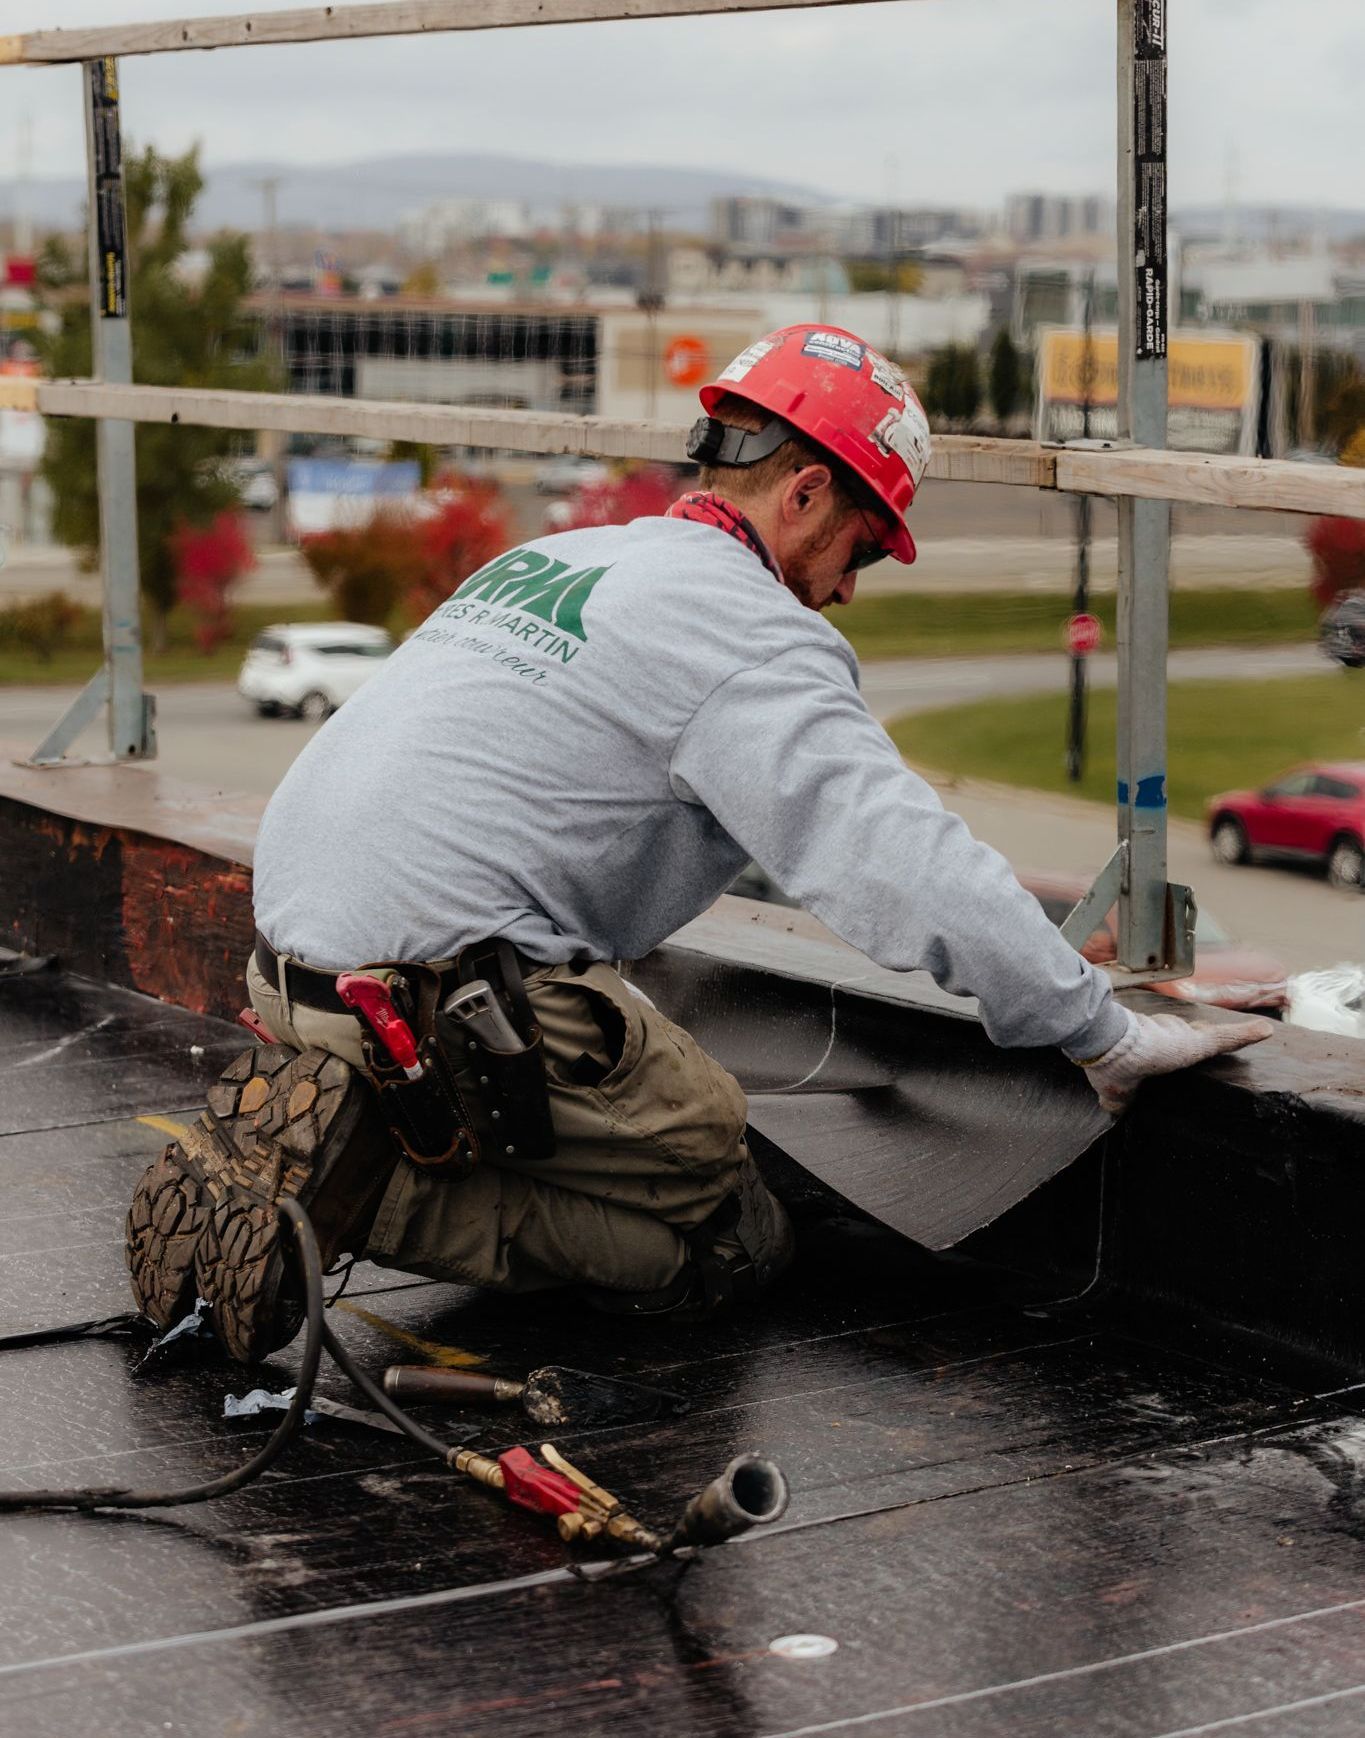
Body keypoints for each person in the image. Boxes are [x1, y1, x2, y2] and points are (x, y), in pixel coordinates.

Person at [126, 323, 1271, 1362]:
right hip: (433, 1012)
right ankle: (364, 1192)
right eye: (862, 552)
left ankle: (349, 1132)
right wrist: (1095, 1028)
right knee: (724, 1226)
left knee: (645, 1065)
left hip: (289, 979)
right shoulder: (747, 628)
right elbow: (898, 859)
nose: (848, 591)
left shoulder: (568, 558)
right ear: (807, 496)